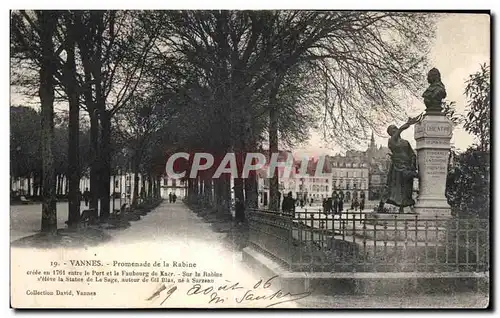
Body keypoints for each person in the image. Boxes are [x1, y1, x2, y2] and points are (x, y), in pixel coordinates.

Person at [378, 116, 420, 214]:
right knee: (391, 187)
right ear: (390, 133)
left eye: (395, 128)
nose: (395, 129)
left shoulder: (405, 142)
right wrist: (408, 123)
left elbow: (412, 153)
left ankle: (403, 208)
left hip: (407, 166)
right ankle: (381, 205)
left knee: (406, 188)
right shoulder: (391, 141)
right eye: (392, 129)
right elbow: (400, 130)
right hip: (397, 167)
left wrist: (413, 163)